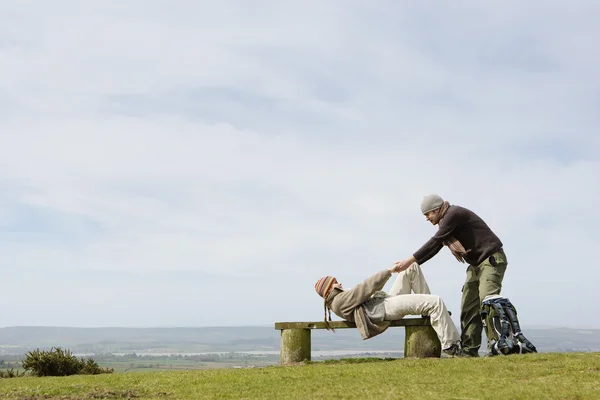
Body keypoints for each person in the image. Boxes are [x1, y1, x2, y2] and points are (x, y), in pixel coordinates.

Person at [393, 194, 507, 357]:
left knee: (487, 301)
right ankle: (469, 350)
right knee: (469, 306)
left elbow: (435, 241)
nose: (427, 219)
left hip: (491, 259)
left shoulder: (453, 214)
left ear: (437, 209)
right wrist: (412, 264)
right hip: (475, 265)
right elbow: (436, 246)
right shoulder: (445, 224)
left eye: (428, 214)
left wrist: (408, 261)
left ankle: (497, 346)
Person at [314, 262, 464, 358]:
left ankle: (426, 312)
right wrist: (388, 271)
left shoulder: (338, 298)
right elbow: (365, 287)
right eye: (334, 283)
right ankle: (451, 346)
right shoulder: (339, 301)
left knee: (411, 267)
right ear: (328, 289)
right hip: (384, 309)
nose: (338, 282)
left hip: (384, 302)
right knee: (435, 301)